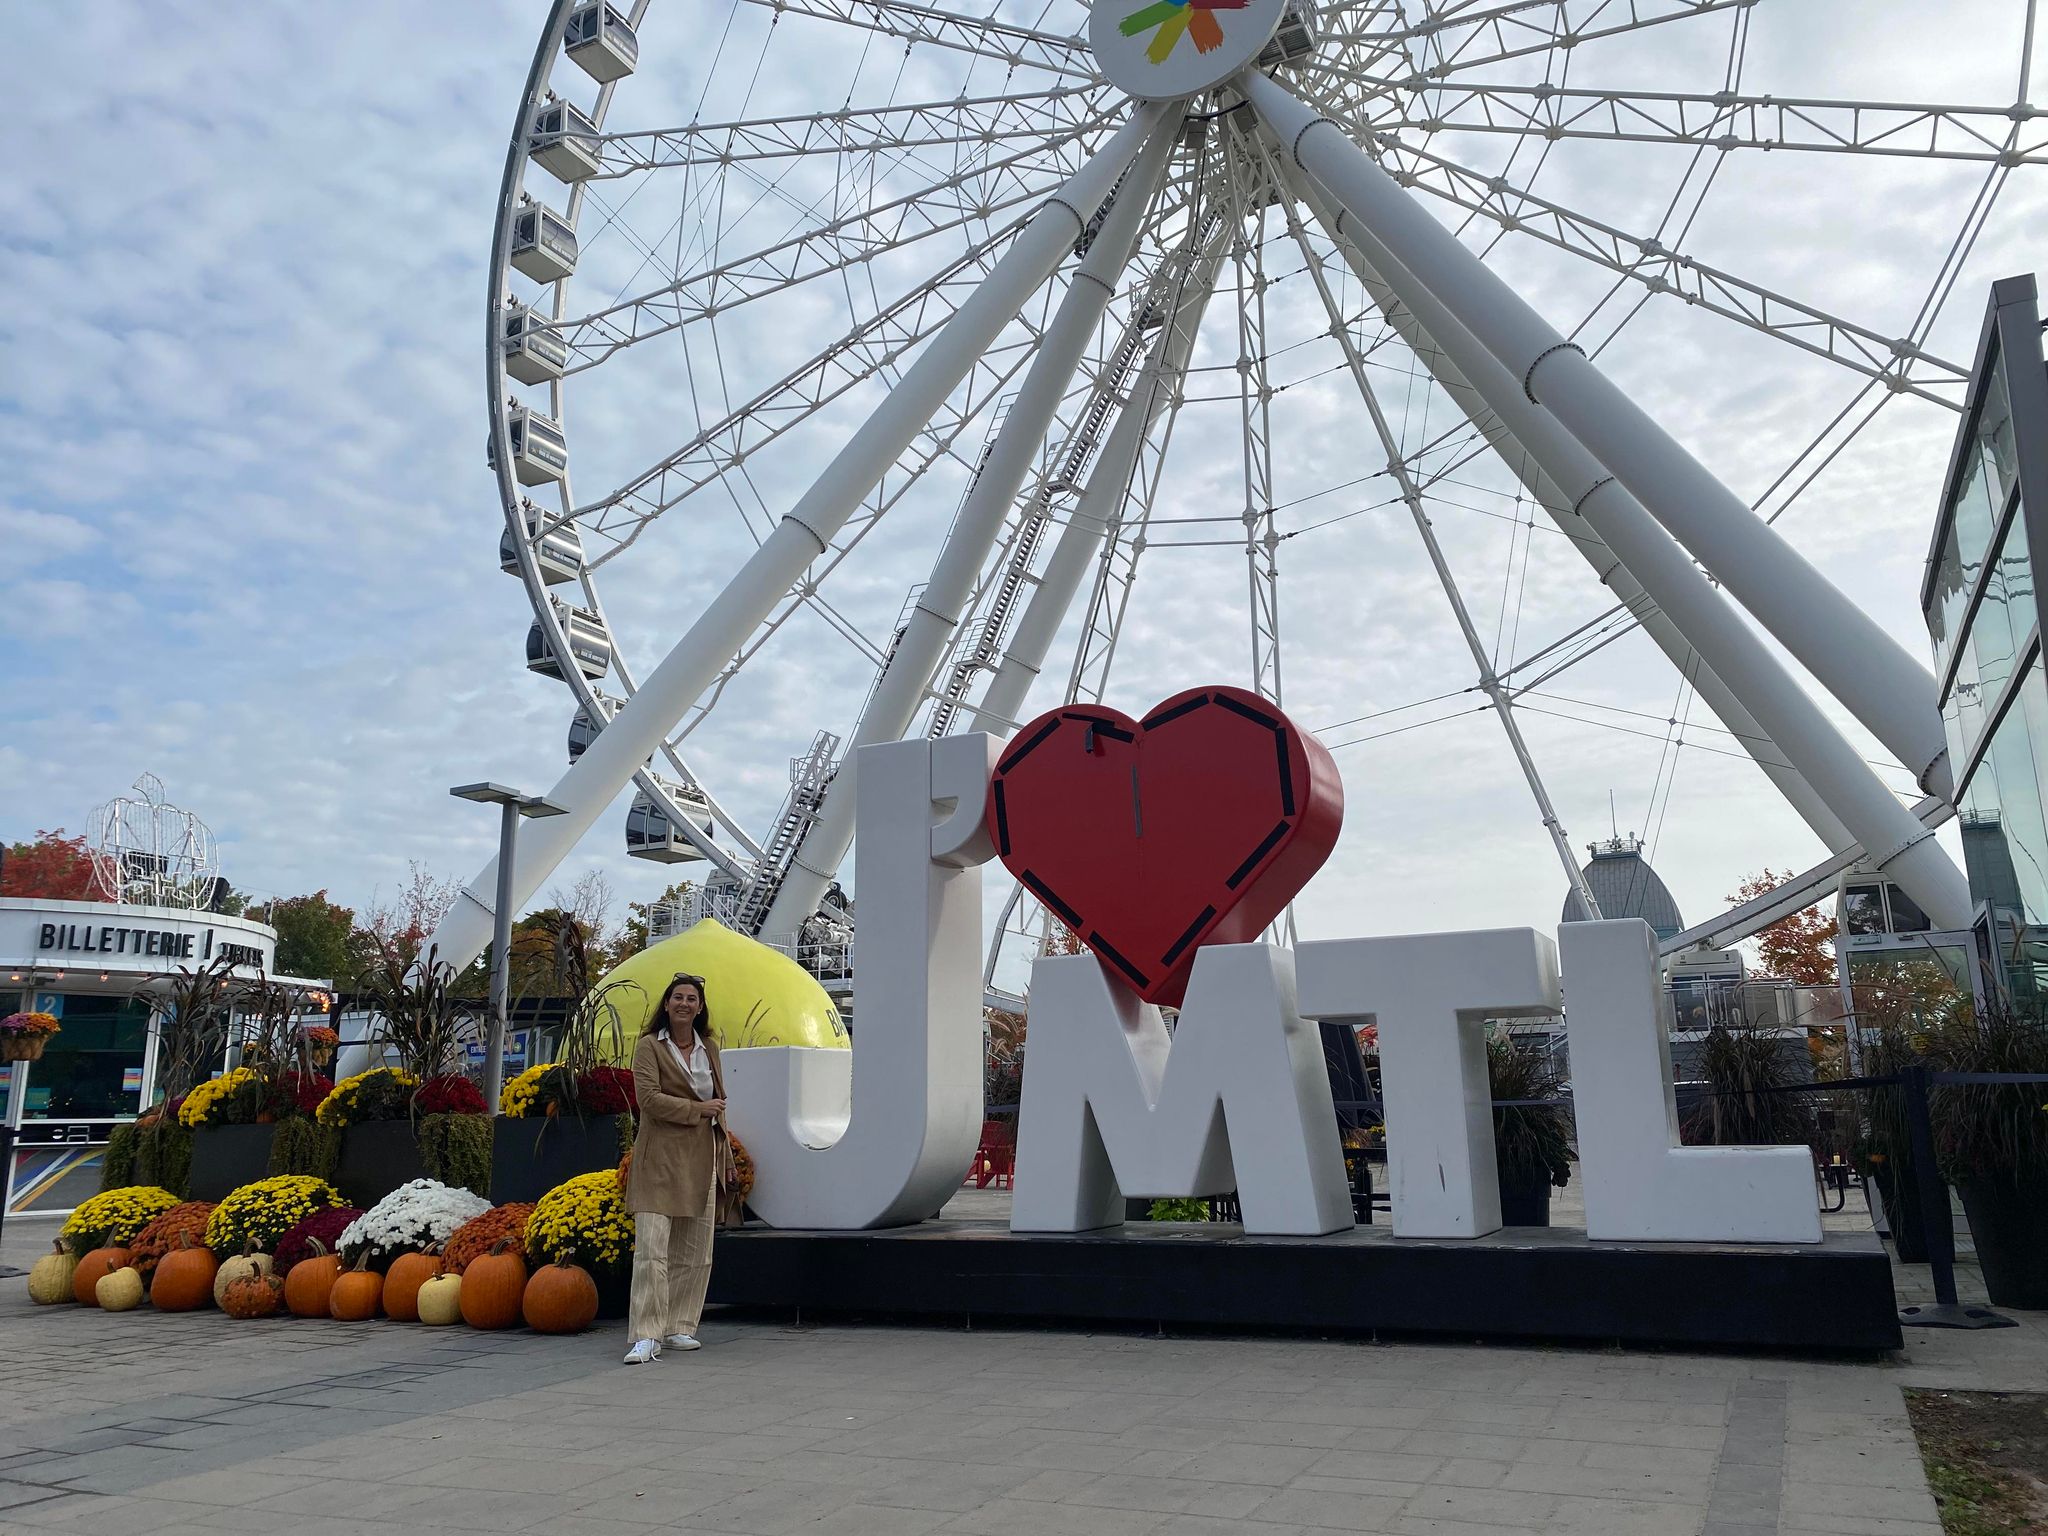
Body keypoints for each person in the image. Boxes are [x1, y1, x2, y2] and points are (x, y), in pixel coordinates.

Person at [623, 972, 734, 1364]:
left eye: (691, 999)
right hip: (659, 1157)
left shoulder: (710, 1048)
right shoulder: (649, 1047)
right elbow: (649, 1100)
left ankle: (678, 1326)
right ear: (666, 1004)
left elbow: (719, 1102)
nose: (684, 1004)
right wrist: (697, 1109)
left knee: (695, 1247)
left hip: (702, 1154)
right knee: (651, 1249)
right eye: (678, 997)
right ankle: (645, 1335)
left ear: (700, 1008)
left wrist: (724, 1149)